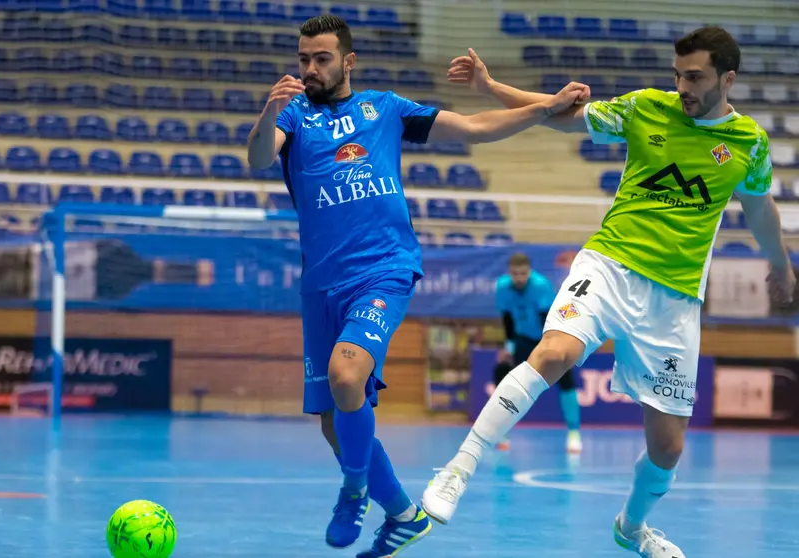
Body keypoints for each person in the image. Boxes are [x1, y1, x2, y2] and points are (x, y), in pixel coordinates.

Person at [421, 26, 795, 558]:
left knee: (667, 447)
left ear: (726, 78)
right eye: (678, 74)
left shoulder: (748, 144)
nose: (683, 86)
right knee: (554, 353)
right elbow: (560, 115)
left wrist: (779, 263)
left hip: (675, 300)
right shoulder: (646, 108)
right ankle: (458, 468)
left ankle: (631, 528)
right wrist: (491, 88)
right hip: (610, 264)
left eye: (695, 77)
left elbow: (759, 209)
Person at [246, 13, 588, 558]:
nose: (310, 69)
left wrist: (546, 107)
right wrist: (267, 115)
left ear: (348, 61)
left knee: (345, 373)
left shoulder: (385, 108)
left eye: (322, 59)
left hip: (384, 268)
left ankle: (355, 490)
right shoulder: (292, 114)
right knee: (337, 424)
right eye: (304, 59)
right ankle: (404, 516)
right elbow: (259, 157)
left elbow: (474, 128)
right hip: (321, 284)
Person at [493, 252, 582, 453]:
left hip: (548, 335)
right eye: (515, 274)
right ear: (509, 273)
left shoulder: (540, 285)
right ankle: (502, 431)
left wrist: (551, 347)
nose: (519, 278)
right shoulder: (501, 287)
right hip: (523, 338)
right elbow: (507, 318)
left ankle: (574, 433)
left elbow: (548, 317)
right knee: (506, 377)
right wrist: (509, 347)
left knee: (566, 378)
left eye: (523, 274)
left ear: (529, 272)